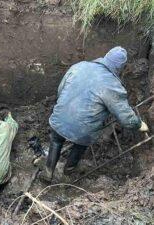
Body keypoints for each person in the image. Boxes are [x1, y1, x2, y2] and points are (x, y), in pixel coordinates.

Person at [41, 46, 149, 182]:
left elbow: (61, 89)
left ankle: (48, 171)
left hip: (60, 117)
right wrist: (139, 124)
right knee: (81, 143)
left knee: (56, 140)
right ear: (120, 67)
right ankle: (69, 169)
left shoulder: (79, 66)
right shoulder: (112, 85)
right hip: (83, 130)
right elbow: (125, 117)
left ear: (106, 56)